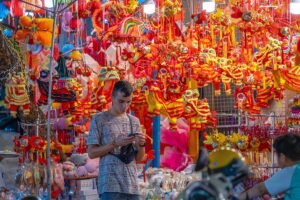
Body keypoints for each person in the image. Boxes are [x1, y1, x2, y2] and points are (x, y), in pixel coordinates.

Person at [87, 80, 146, 200]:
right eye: (121, 101)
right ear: (112, 98)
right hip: (109, 185)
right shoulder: (99, 119)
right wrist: (114, 144)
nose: (125, 106)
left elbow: (139, 158)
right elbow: (91, 153)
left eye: (128, 102)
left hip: (132, 186)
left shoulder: (134, 121)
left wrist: (141, 144)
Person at [239, 133, 300, 200]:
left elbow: (260, 189)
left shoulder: (291, 171)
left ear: (282, 157)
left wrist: (237, 198)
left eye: (276, 155)